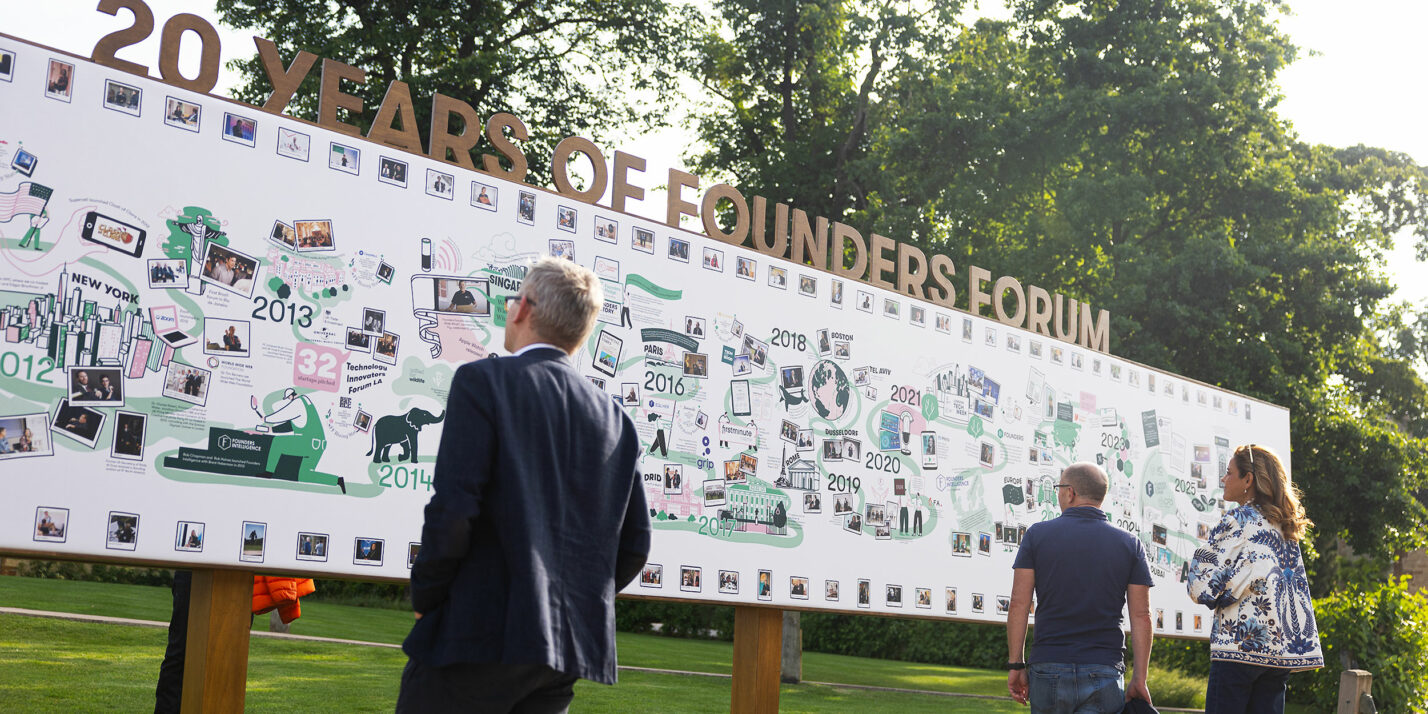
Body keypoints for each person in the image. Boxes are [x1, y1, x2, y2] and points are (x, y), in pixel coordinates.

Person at [398, 257, 650, 713]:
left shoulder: (483, 382)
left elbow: (453, 509)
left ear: (522, 309)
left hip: (474, 636)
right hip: (559, 656)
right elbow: (634, 545)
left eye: (513, 300)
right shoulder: (618, 420)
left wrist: (427, 599)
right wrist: (574, 602)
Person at [1006, 462, 1154, 712]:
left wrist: (1016, 665)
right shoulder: (1130, 544)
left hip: (1049, 664)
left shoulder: (1037, 535)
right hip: (1104, 668)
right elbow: (1141, 615)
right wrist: (1140, 679)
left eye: (1058, 488)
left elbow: (1019, 604)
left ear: (1070, 492)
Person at [1188, 445, 1321, 713]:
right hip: (1276, 654)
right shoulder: (1283, 525)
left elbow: (1201, 586)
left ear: (1248, 480)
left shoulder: (1237, 519)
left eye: (1228, 473)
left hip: (1237, 649)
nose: (1224, 479)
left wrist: (1209, 571)